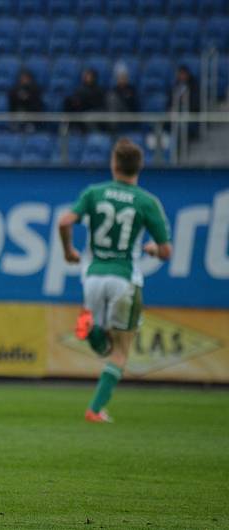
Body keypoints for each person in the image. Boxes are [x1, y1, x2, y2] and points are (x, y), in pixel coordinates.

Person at [58, 138, 172, 423]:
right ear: (139, 166)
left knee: (90, 326)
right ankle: (95, 409)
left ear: (113, 163)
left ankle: (92, 332)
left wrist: (69, 251)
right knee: (120, 351)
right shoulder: (147, 201)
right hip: (125, 279)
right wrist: (153, 249)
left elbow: (64, 222)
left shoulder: (94, 192)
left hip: (93, 276)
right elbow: (166, 251)